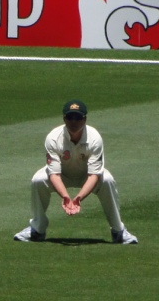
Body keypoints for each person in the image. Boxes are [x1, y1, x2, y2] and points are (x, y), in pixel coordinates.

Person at [13, 100, 139, 246]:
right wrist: (66, 197)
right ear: (64, 118)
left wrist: (78, 198)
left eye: (78, 117)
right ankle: (37, 229)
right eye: (70, 117)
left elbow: (94, 175)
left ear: (85, 119)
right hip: (62, 175)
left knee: (108, 180)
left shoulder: (94, 138)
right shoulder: (53, 138)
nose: (74, 121)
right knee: (38, 180)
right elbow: (54, 173)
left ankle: (119, 231)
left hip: (87, 175)